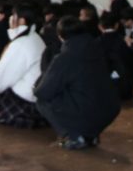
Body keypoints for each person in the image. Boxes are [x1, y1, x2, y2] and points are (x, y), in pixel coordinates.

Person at [34, 16, 121, 150]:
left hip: (87, 111)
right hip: (110, 108)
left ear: (60, 36)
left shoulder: (65, 57)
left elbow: (44, 92)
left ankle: (74, 136)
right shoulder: (97, 49)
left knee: (42, 102)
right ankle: (90, 136)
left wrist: (35, 87)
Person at [0, 3, 46, 129]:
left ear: (21, 20)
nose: (10, 18)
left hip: (25, 101)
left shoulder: (21, 44)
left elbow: (0, 79)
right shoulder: (35, 38)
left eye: (13, 15)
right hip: (37, 98)